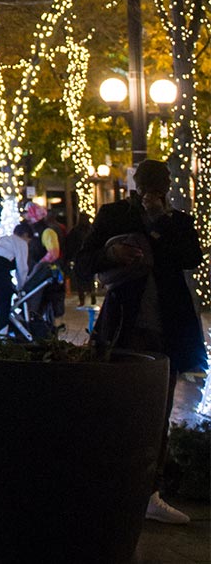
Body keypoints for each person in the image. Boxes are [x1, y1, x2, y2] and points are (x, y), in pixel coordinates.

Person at [75, 158, 207, 526]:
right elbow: (83, 264)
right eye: (150, 184)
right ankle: (107, 486)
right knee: (115, 409)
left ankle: (150, 492)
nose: (156, 192)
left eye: (162, 185)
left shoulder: (178, 222)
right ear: (137, 185)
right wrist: (110, 254)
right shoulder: (115, 216)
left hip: (168, 329)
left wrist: (162, 223)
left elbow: (191, 257)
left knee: (159, 412)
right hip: (122, 326)